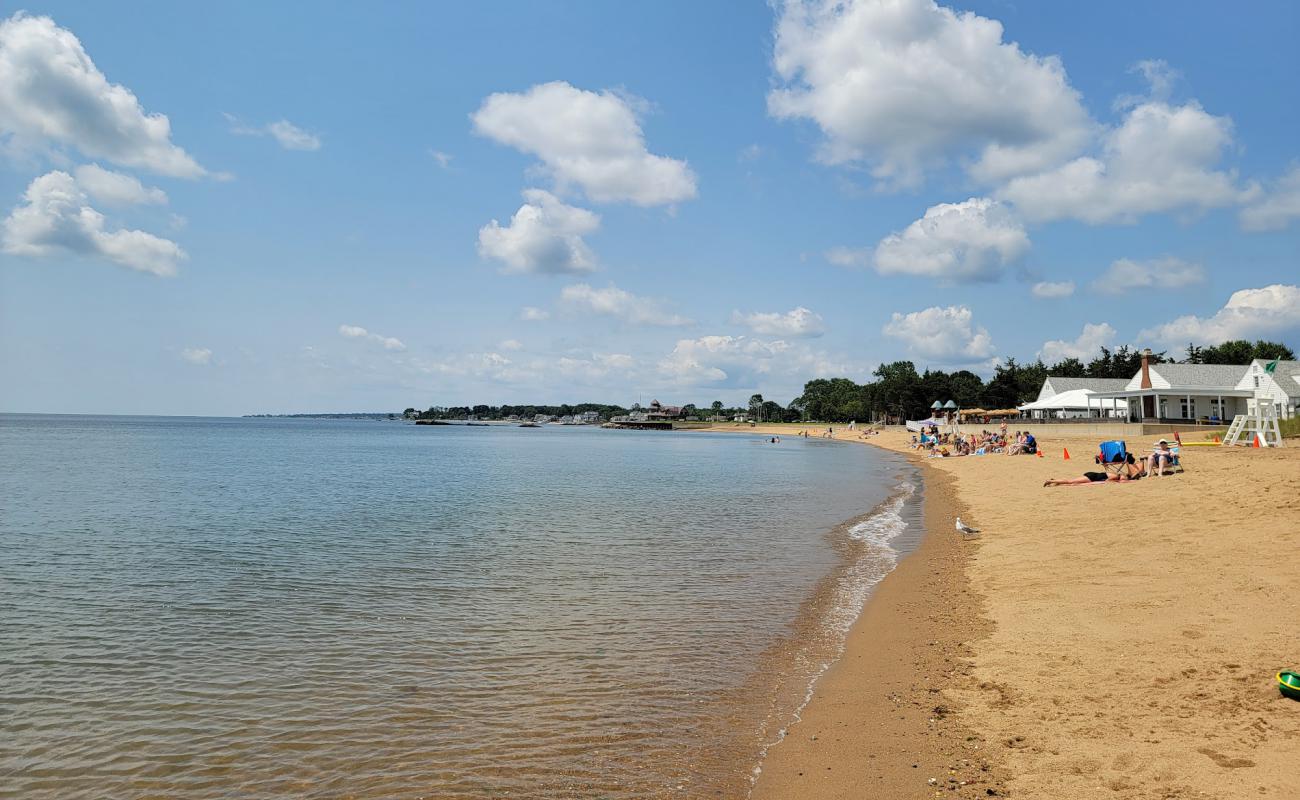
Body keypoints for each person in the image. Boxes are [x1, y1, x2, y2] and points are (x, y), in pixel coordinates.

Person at [1044, 456, 1143, 486]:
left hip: (1092, 476)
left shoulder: (1116, 476)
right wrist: (1130, 481)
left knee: (1072, 483)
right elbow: (1108, 482)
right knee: (1071, 481)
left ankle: (1056, 481)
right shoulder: (1115, 477)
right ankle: (1051, 481)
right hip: (1091, 477)